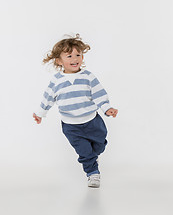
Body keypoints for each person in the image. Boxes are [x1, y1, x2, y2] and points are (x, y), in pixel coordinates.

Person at [33, 34, 118, 188]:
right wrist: (40, 113)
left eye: (78, 54)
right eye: (69, 55)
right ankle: (92, 173)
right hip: (71, 126)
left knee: (99, 145)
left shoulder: (88, 77)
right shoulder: (57, 80)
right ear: (59, 61)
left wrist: (107, 108)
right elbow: (48, 98)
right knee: (84, 151)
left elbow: (99, 94)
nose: (75, 58)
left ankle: (94, 156)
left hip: (92, 121)